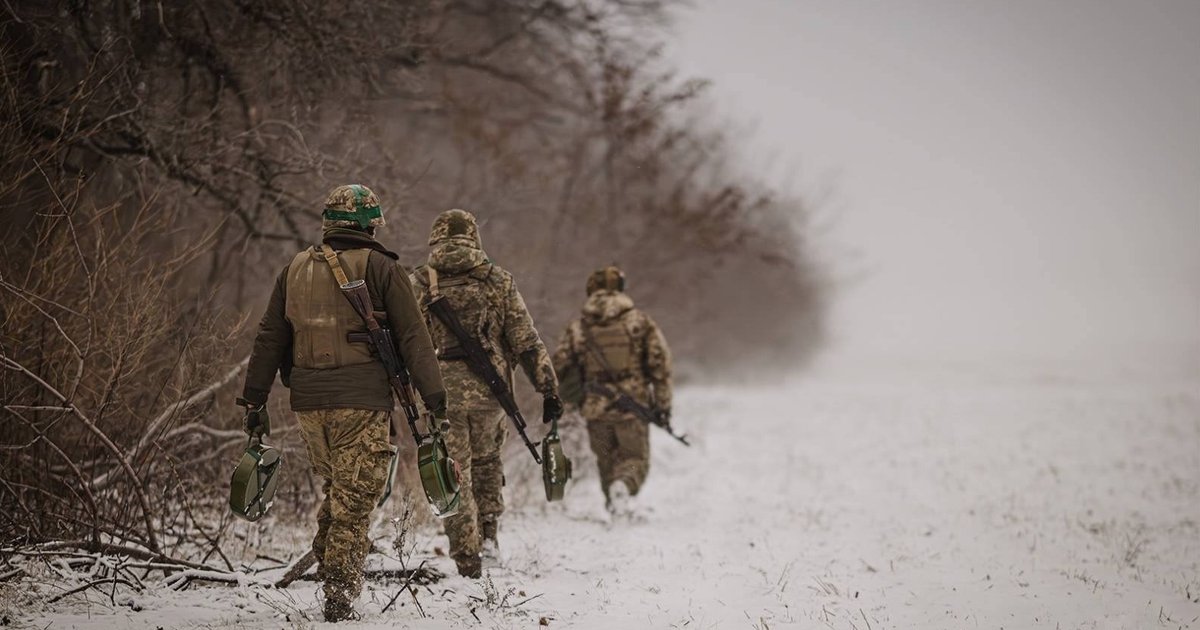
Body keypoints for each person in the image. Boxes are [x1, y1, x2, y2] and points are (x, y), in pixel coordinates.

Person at [240, 184, 446, 622]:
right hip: (361, 400)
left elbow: (269, 338)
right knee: (356, 499)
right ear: (368, 224)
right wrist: (435, 397)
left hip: (309, 404)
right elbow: (414, 336)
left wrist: (254, 400)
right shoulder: (383, 268)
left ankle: (327, 557)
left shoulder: (294, 268)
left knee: (342, 490)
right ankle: (339, 598)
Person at [410, 209, 562, 578]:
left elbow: (406, 342)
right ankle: (489, 539)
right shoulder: (496, 279)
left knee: (452, 469)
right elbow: (524, 340)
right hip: (489, 391)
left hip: (438, 393)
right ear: (474, 237)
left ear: (436, 238)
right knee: (487, 462)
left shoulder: (417, 281)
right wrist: (548, 388)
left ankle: (466, 555)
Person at [553, 266, 672, 518]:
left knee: (605, 461)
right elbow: (660, 366)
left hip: (595, 406)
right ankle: (623, 487)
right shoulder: (639, 322)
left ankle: (613, 499)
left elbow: (560, 364)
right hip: (633, 405)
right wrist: (663, 406)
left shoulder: (579, 327)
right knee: (635, 459)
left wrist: (570, 396)